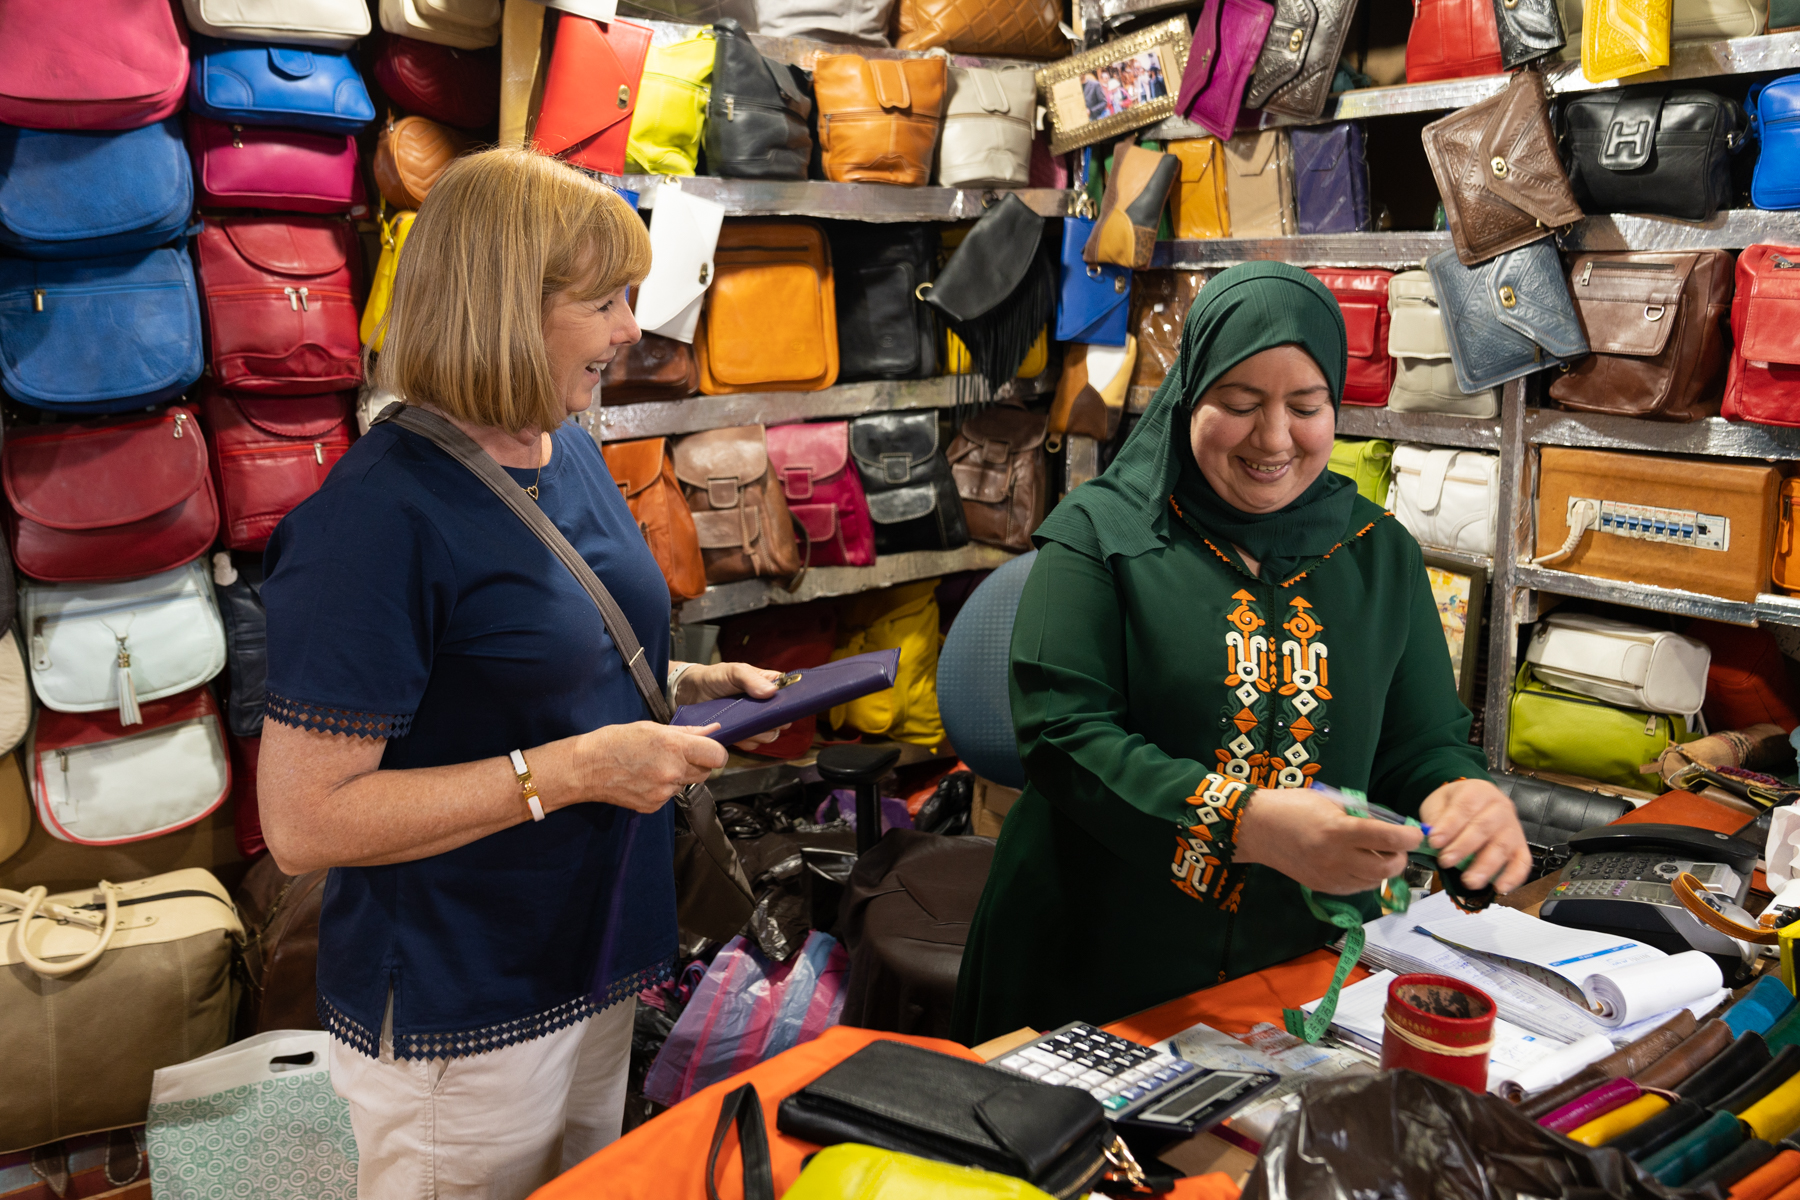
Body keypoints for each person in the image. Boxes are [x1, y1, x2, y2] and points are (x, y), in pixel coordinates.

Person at [258, 148, 782, 1199]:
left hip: (592, 959)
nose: (634, 329)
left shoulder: (564, 446)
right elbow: (306, 822)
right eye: (607, 302)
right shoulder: (375, 521)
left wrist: (679, 685)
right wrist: (580, 769)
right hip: (462, 1009)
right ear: (505, 305)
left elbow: (511, 665)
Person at [952, 263, 1531, 1044]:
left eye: (1306, 405)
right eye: (1239, 403)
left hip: (1294, 966)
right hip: (1092, 967)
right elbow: (1064, 738)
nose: (1273, 438)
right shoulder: (1102, 535)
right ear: (1189, 393)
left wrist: (1458, 795)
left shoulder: (1377, 552)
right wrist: (1248, 824)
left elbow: (1418, 741)